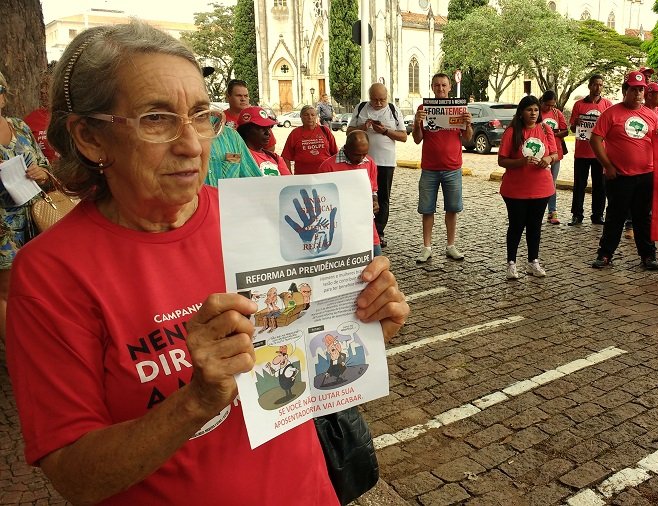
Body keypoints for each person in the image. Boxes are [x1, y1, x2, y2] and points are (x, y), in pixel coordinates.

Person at [7, 22, 409, 505]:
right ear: (90, 138)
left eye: (201, 115)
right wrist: (195, 402)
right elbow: (75, 476)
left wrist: (359, 329)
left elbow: (306, 378)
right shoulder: (51, 274)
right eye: (156, 118)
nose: (193, 144)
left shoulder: (256, 215)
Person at [589, 70, 658, 271]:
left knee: (643, 218)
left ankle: (648, 256)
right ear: (625, 91)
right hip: (619, 176)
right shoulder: (611, 114)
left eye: (641, 90)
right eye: (633, 89)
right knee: (615, 216)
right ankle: (605, 254)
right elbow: (595, 139)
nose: (638, 94)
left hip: (646, 175)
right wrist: (608, 166)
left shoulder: (651, 116)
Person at [0, 69, 52, 343]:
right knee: (7, 290)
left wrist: (41, 173)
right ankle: (16, 351)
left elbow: (43, 163)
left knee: (35, 282)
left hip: (33, 215)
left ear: (3, 96)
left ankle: (35, 338)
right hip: (3, 227)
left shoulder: (19, 126)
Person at [411, 73, 473, 263]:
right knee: (427, 209)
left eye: (444, 85)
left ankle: (450, 245)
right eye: (437, 85)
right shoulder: (424, 108)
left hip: (452, 167)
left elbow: (468, 138)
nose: (440, 88)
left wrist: (468, 124)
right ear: (432, 87)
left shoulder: (459, 108)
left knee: (452, 208)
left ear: (449, 87)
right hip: (429, 168)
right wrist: (416, 121)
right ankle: (427, 247)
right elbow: (417, 139)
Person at [498, 96, 559, 279]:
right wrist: (520, 162)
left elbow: (554, 153)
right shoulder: (512, 132)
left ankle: (533, 261)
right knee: (516, 226)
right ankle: (511, 263)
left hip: (541, 187)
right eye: (529, 110)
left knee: (535, 226)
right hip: (516, 189)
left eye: (535, 110)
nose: (533, 113)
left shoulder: (545, 129)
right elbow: (502, 160)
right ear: (521, 112)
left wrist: (547, 159)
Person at [347, 83, 407, 248]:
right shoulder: (361, 108)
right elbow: (349, 131)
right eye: (375, 100)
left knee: (382, 198)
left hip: (385, 162)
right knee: (361, 196)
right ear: (369, 97)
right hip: (361, 162)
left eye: (382, 99)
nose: (379, 103)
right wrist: (362, 127)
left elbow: (403, 136)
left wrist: (385, 131)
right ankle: (361, 230)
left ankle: (379, 232)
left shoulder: (394, 110)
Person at [317, 130, 382, 255]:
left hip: (366, 227)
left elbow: (373, 189)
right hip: (339, 229)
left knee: (378, 259)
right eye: (357, 154)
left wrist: (374, 200)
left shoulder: (369, 163)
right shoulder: (327, 167)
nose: (362, 158)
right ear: (346, 149)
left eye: (365, 153)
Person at [568, 75, 612, 226]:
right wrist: (576, 123)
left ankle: (598, 215)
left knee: (600, 185)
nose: (597, 88)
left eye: (600, 85)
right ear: (589, 86)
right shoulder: (579, 105)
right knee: (579, 185)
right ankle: (577, 214)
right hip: (582, 152)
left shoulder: (607, 104)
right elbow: (573, 128)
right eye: (595, 85)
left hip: (600, 153)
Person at [538, 90, 568, 224]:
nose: (550, 108)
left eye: (552, 105)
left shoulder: (557, 113)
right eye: (547, 105)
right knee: (538, 182)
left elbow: (566, 130)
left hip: (555, 152)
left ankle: (552, 211)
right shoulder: (536, 113)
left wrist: (553, 134)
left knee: (552, 182)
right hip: (540, 153)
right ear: (542, 102)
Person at [281, 105, 338, 174]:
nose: (310, 117)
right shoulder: (295, 133)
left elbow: (335, 154)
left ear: (316, 117)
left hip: (325, 175)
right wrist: (289, 175)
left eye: (313, 115)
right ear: (301, 117)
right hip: (303, 177)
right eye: (306, 115)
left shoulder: (325, 130)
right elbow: (285, 157)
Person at [236, 106, 290, 176]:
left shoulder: (276, 158)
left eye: (269, 128)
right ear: (247, 130)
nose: (268, 133)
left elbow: (288, 184)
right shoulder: (236, 159)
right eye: (261, 128)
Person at [23, 63, 59, 163]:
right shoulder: (31, 120)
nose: (42, 91)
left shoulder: (74, 115)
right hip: (42, 176)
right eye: (41, 86)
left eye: (47, 86)